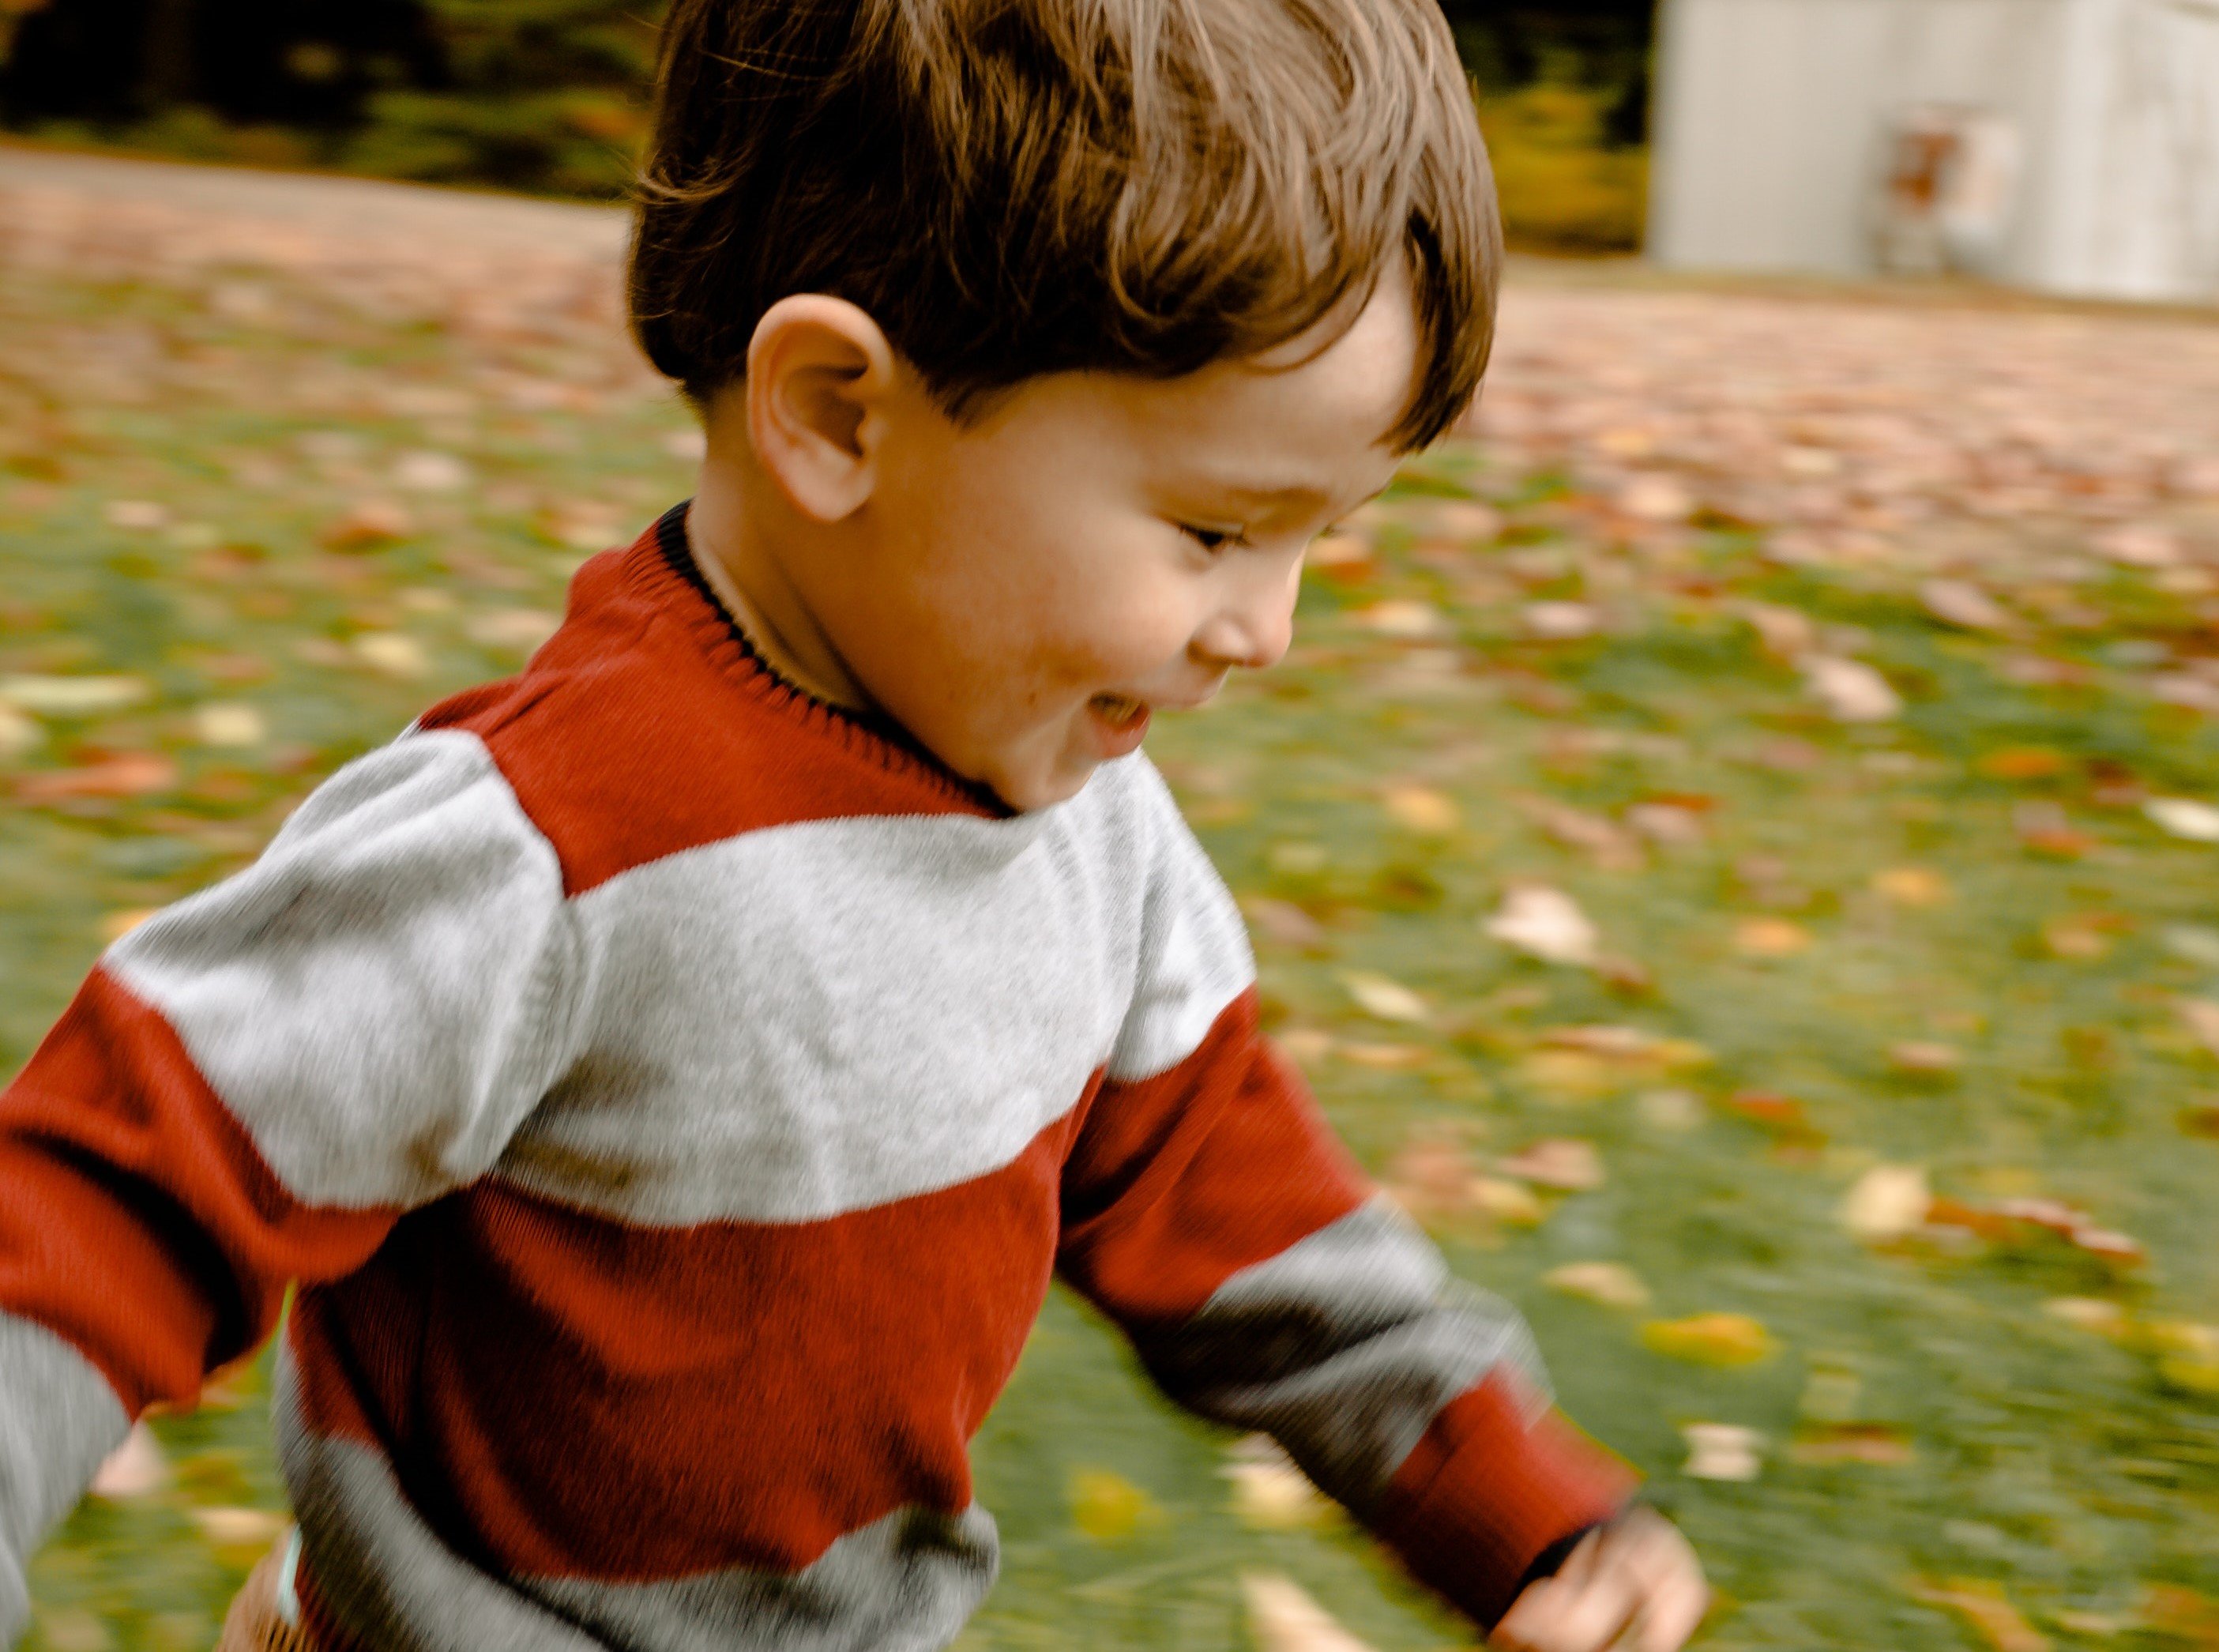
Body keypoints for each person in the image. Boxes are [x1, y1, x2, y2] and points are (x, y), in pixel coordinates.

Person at [0, 2, 1709, 1649]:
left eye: (1316, 536)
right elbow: (124, 1188)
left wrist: (1509, 1493)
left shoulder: (1094, 832)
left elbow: (1223, 1195)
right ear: (833, 413)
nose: (1267, 627)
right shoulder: (552, 845)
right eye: (1212, 529)